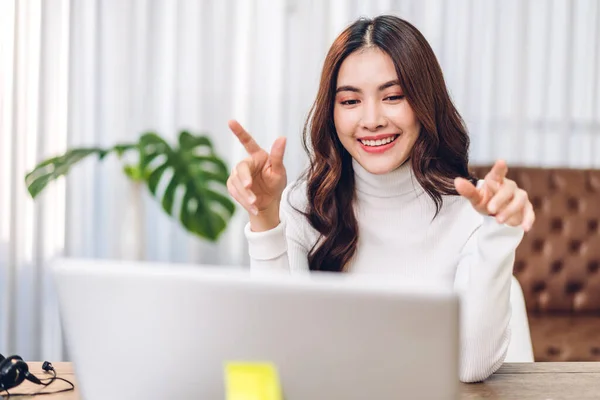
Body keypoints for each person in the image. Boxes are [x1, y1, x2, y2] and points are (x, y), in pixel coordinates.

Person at [226, 15, 535, 383]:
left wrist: (498, 232)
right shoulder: (303, 206)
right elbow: (275, 352)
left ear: (425, 103)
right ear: (332, 112)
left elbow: (471, 367)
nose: (371, 120)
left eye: (393, 97)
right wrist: (264, 216)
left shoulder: (467, 214)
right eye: (350, 100)